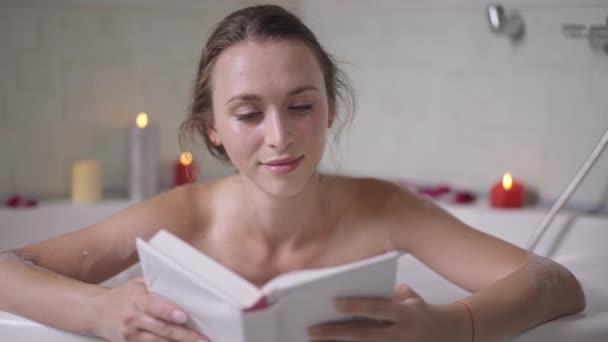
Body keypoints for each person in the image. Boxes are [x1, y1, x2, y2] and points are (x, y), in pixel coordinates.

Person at [0, 4, 585, 342]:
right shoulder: (178, 218)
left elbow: (555, 281)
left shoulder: (383, 209)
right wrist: (98, 311)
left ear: (329, 107)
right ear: (212, 129)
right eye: (249, 114)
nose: (280, 136)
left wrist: (449, 327)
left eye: (301, 106)